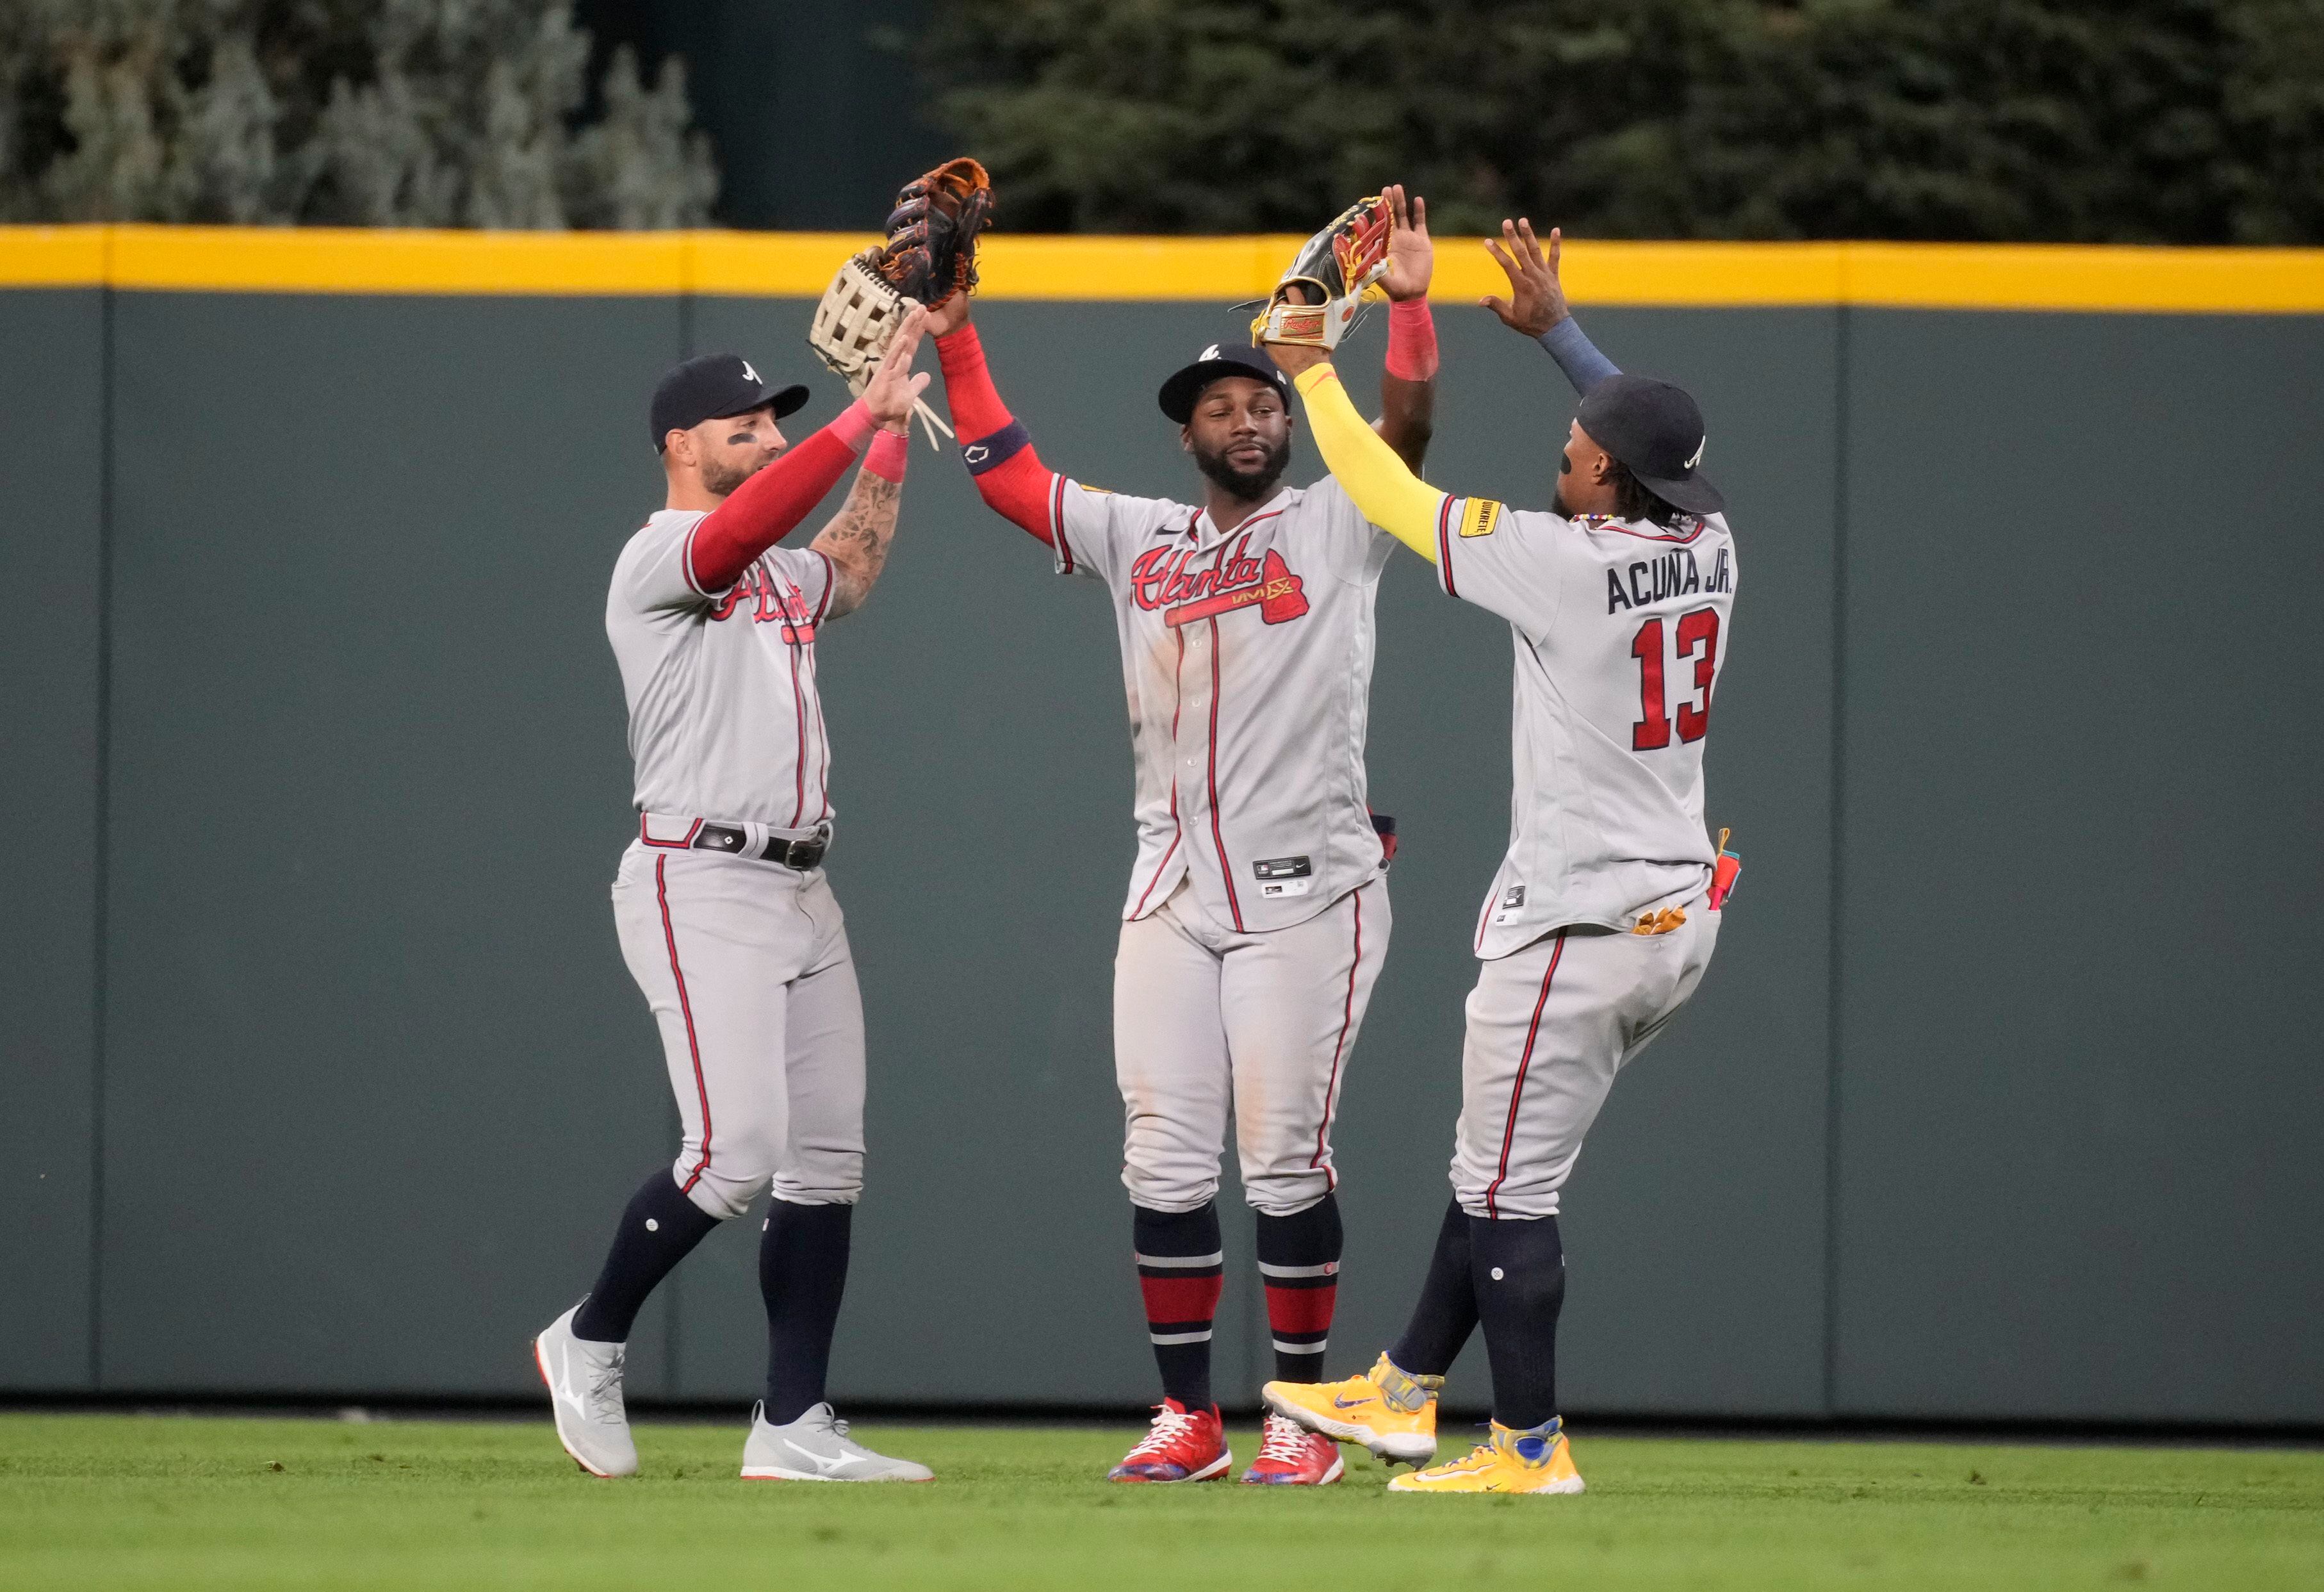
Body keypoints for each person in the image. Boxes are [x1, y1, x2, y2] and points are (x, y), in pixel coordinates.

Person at [926, 191, 1438, 1484]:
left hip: (1307, 890)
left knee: (1277, 1157)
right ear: (1187, 433)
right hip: (1167, 886)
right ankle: (1188, 1418)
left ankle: (1301, 1419)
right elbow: (1005, 475)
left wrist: (1410, 309)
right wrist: (955, 337)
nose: (1249, 419)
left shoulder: (1335, 519)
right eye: (1222, 407)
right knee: (1159, 1151)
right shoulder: (1137, 538)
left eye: (1263, 403)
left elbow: (1405, 427)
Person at [1259, 218, 1740, 1495]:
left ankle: (1528, 1447)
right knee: (1494, 1161)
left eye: (1575, 455)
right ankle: (1408, 1385)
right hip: (1671, 915)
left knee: (1508, 1188)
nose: (1564, 460)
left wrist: (1308, 367)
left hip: (1582, 926)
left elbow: (1384, 496)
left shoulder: (1562, 563)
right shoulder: (1708, 544)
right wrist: (1561, 340)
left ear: (1601, 481)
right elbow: (1643, 441)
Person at [532, 309, 939, 1484]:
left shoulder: (774, 570)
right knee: (736, 1149)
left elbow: (851, 564)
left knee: (826, 1161)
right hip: (698, 874)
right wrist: (857, 412)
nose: (765, 439)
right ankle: (590, 1337)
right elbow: (761, 519)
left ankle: (794, 1424)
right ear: (680, 446)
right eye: (745, 425)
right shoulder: (660, 555)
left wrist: (892, 434)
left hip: (802, 886)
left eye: (776, 423)